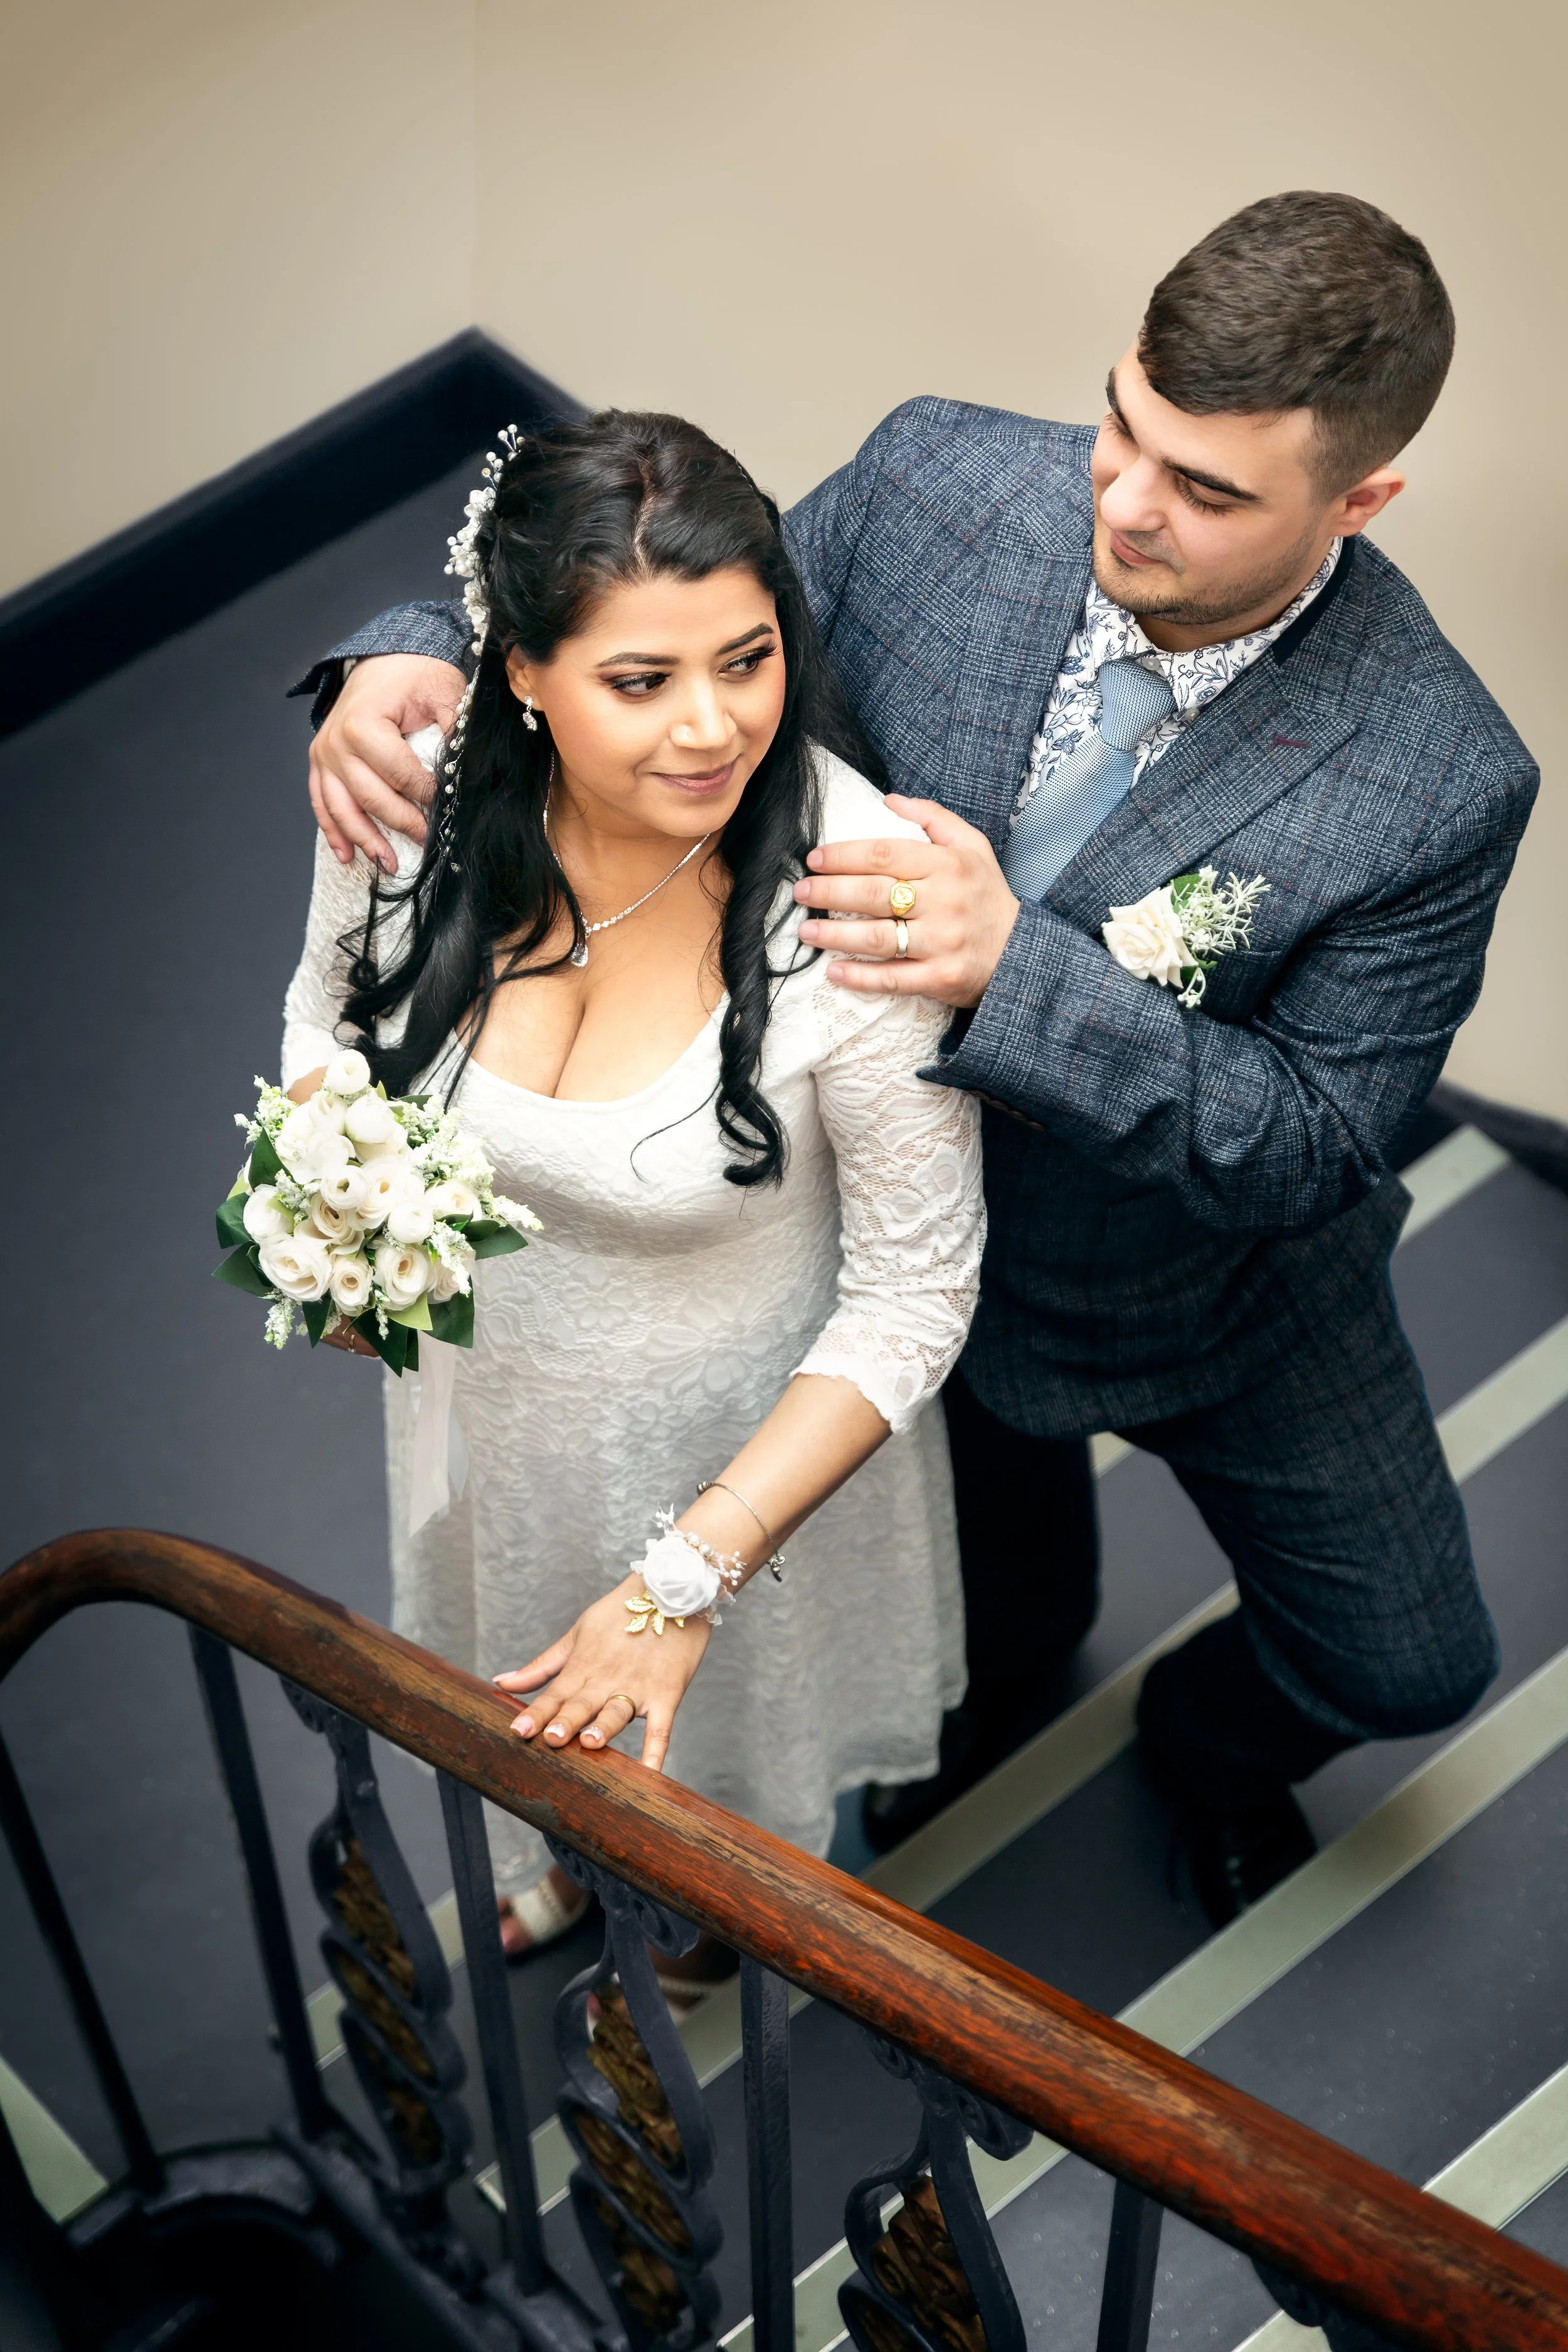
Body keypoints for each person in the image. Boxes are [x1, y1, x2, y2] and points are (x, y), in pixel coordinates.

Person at [297, 192, 1538, 1928]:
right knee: (1001, 1642)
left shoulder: (1434, 775)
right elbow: (677, 628)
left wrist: (1013, 974)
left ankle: (1201, 1745)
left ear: (1358, 500)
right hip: (870, 1251)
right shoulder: (943, 479)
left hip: (1209, 1297)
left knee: (1405, 1660)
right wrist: (417, 655)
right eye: (1122, 422)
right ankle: (980, 1700)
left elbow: (1312, 1137)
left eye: (1206, 488)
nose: (1120, 497)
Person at [280, 410, 982, 1972]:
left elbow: (915, 1294)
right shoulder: (410, 793)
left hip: (730, 1455)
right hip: (487, 1399)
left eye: (745, 660)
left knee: (703, 1787)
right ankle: (556, 1857)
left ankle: (691, 1931)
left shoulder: (849, 894)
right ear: (517, 674)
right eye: (640, 681)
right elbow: (325, 1022)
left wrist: (687, 1574)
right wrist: (330, 1222)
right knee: (515, 1689)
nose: (711, 731)